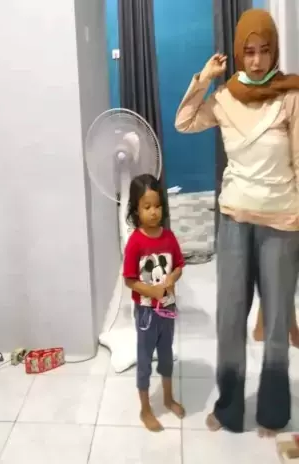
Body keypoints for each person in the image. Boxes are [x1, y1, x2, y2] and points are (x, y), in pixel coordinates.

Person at [175, 8, 299, 436]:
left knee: (277, 320)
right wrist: (204, 79)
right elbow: (184, 121)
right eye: (249, 52)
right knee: (229, 318)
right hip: (233, 220)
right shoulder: (225, 98)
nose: (257, 61)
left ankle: (273, 412)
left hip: (282, 222)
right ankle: (229, 407)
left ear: (274, 51)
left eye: (264, 51)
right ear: (238, 53)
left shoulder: (291, 95)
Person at [123, 174, 185, 432]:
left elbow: (179, 265)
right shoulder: (135, 242)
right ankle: (145, 409)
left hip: (167, 309)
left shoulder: (168, 237)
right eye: (147, 207)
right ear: (136, 209)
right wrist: (150, 290)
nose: (153, 212)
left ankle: (168, 398)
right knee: (145, 359)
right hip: (146, 313)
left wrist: (172, 278)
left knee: (167, 355)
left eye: (157, 206)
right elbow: (129, 280)